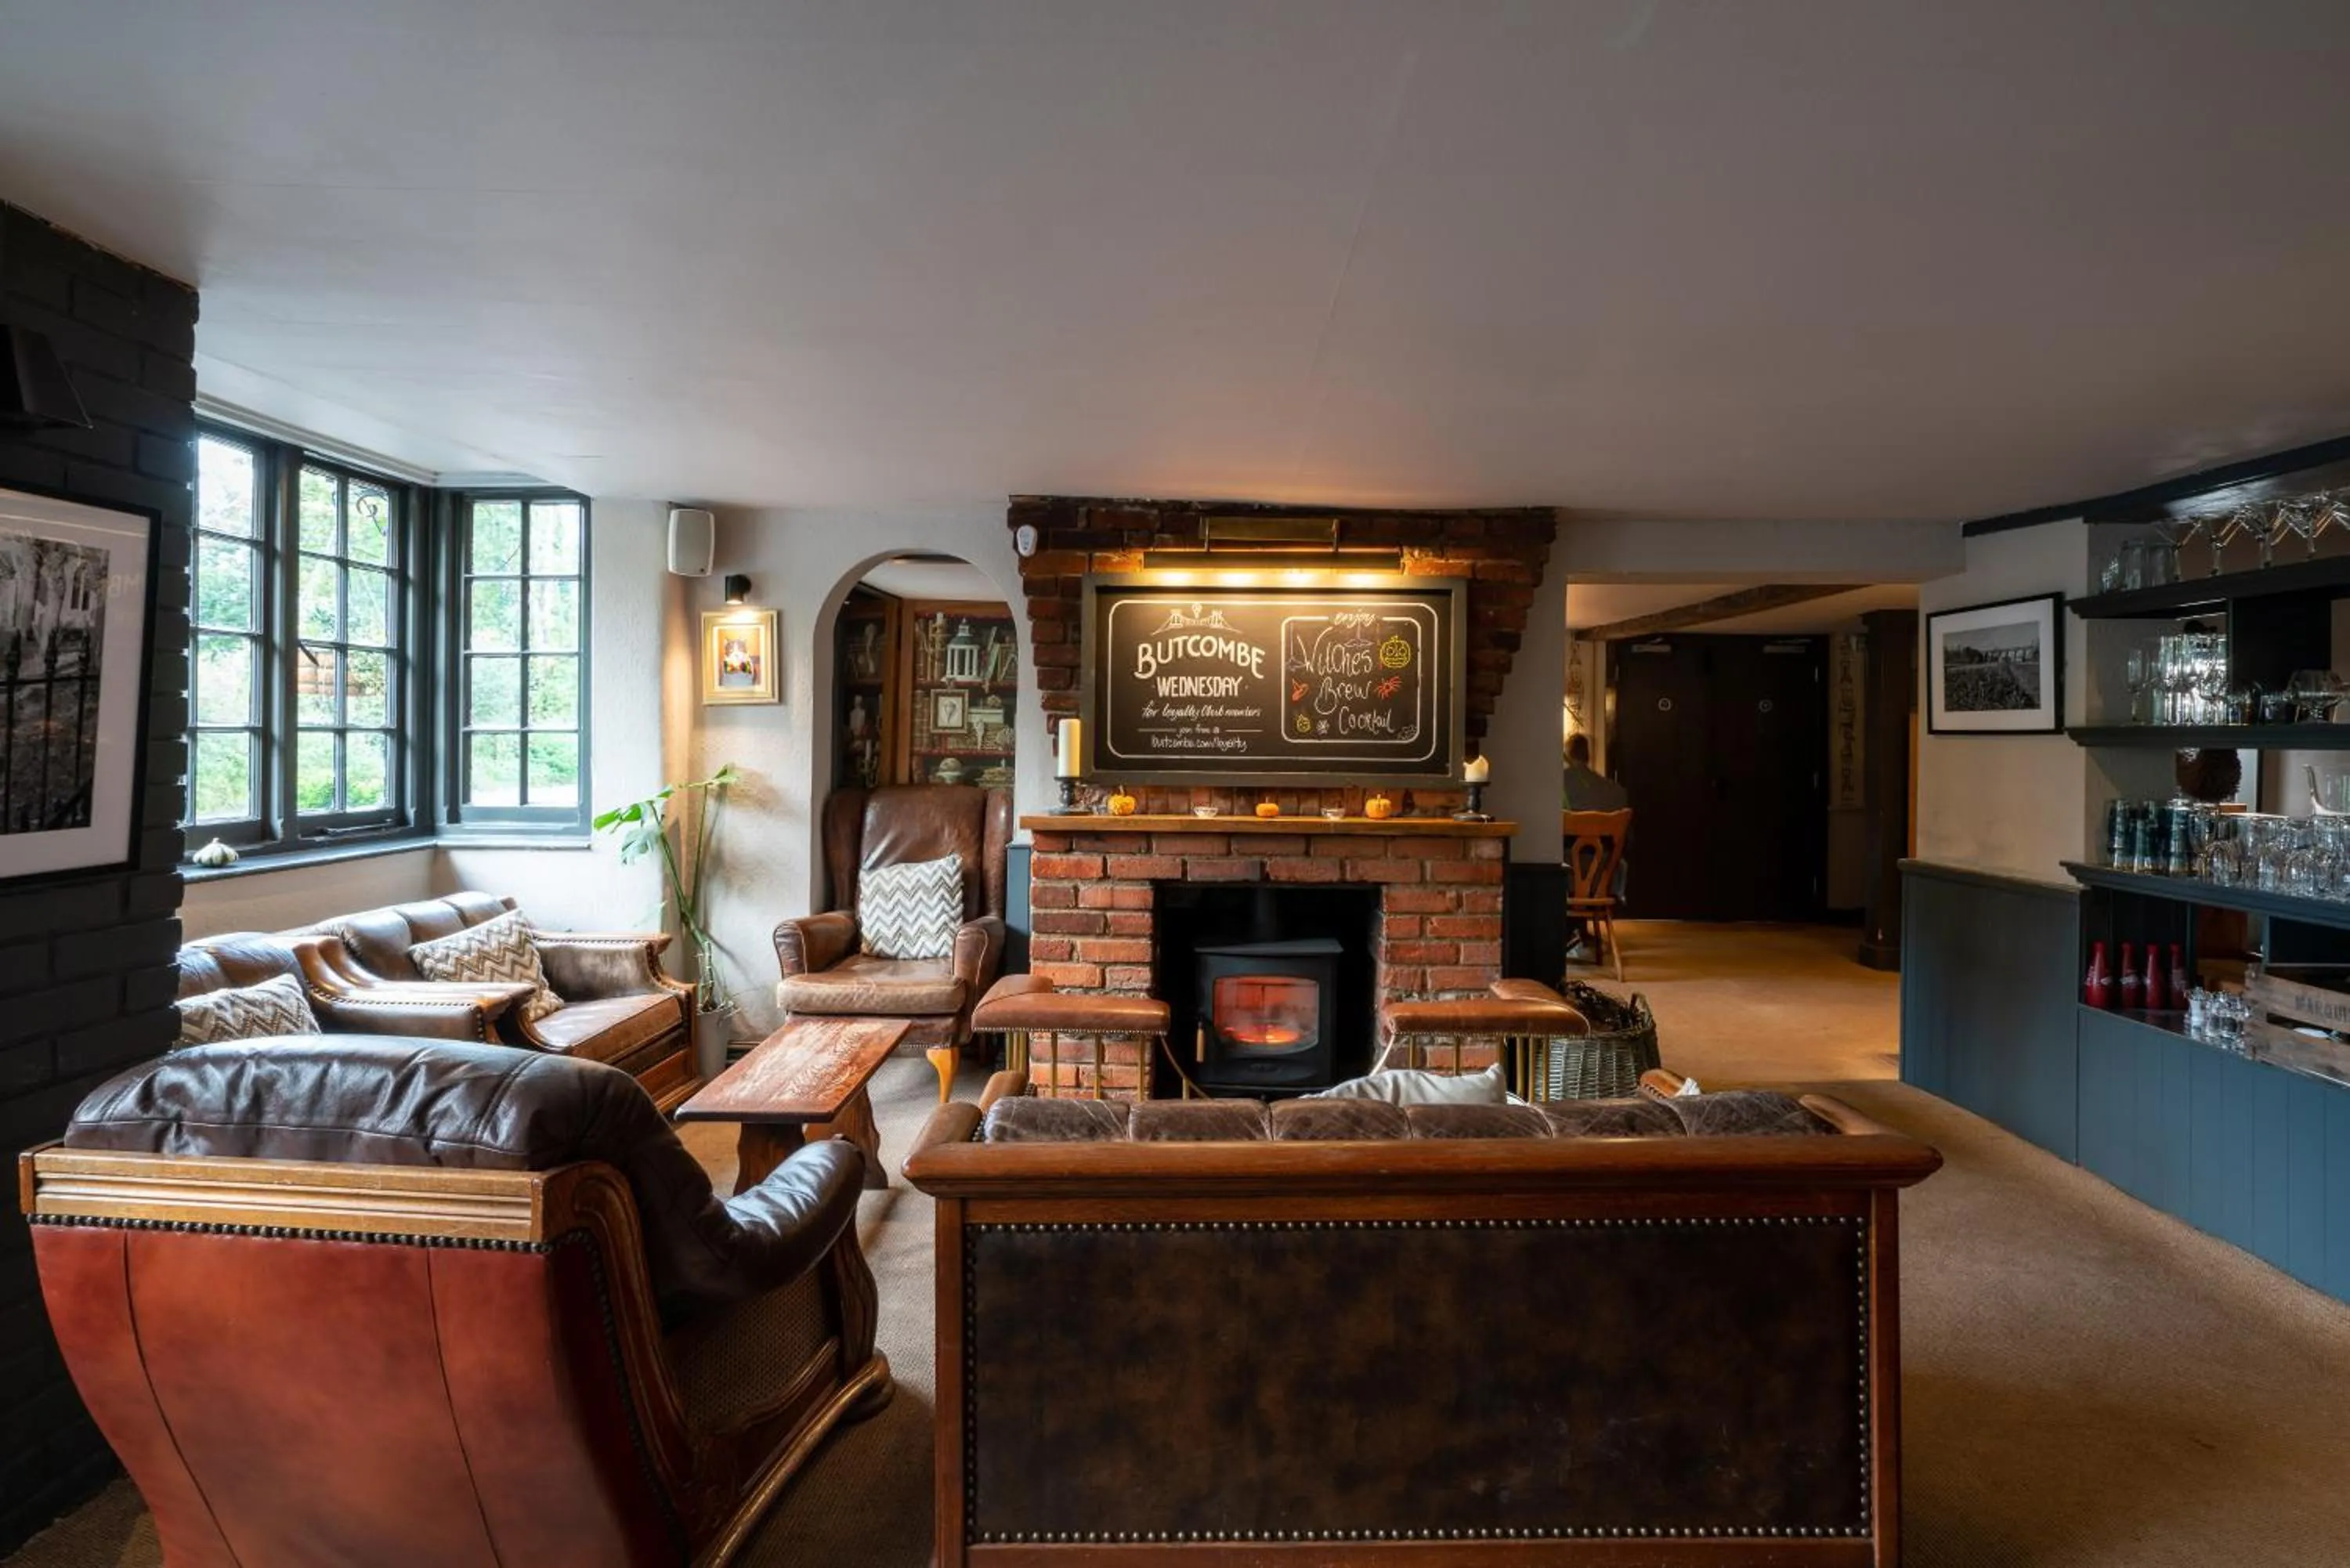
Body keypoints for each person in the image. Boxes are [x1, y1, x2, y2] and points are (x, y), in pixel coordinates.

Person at [1561, 733, 1629, 960]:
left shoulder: (1555, 785)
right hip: (1602, 878)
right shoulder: (1616, 791)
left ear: (1568, 755)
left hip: (1567, 875)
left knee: (1562, 860)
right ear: (1588, 756)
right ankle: (1580, 934)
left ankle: (1570, 934)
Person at [1561, 732, 1627, 811]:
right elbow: (1622, 795)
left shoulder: (1562, 780)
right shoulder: (1613, 791)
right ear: (1587, 756)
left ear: (1567, 757)